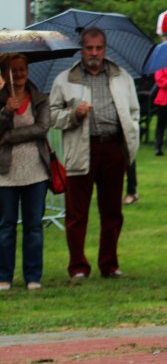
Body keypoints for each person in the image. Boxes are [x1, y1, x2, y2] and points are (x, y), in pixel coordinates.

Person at [49, 28, 140, 280]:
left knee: (112, 211)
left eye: (98, 48)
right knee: (77, 212)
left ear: (105, 49)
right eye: (89, 48)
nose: (94, 53)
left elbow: (134, 111)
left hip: (113, 148)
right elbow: (52, 115)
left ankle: (109, 264)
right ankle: (78, 266)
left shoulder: (122, 77)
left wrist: (129, 136)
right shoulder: (66, 79)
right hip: (81, 147)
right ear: (81, 49)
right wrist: (73, 114)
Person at [0, 54, 51, 290]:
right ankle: (4, 277)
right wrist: (5, 112)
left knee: (33, 225)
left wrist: (8, 137)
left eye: (22, 69)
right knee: (6, 225)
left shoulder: (40, 98)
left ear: (27, 71)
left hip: (36, 169)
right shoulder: (2, 100)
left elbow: (42, 128)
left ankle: (33, 276)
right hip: (5, 171)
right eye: (14, 70)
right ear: (4, 74)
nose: (19, 74)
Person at [153, 65, 167, 156]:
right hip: (164, 97)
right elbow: (159, 78)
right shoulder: (163, 64)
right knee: (161, 123)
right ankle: (158, 147)